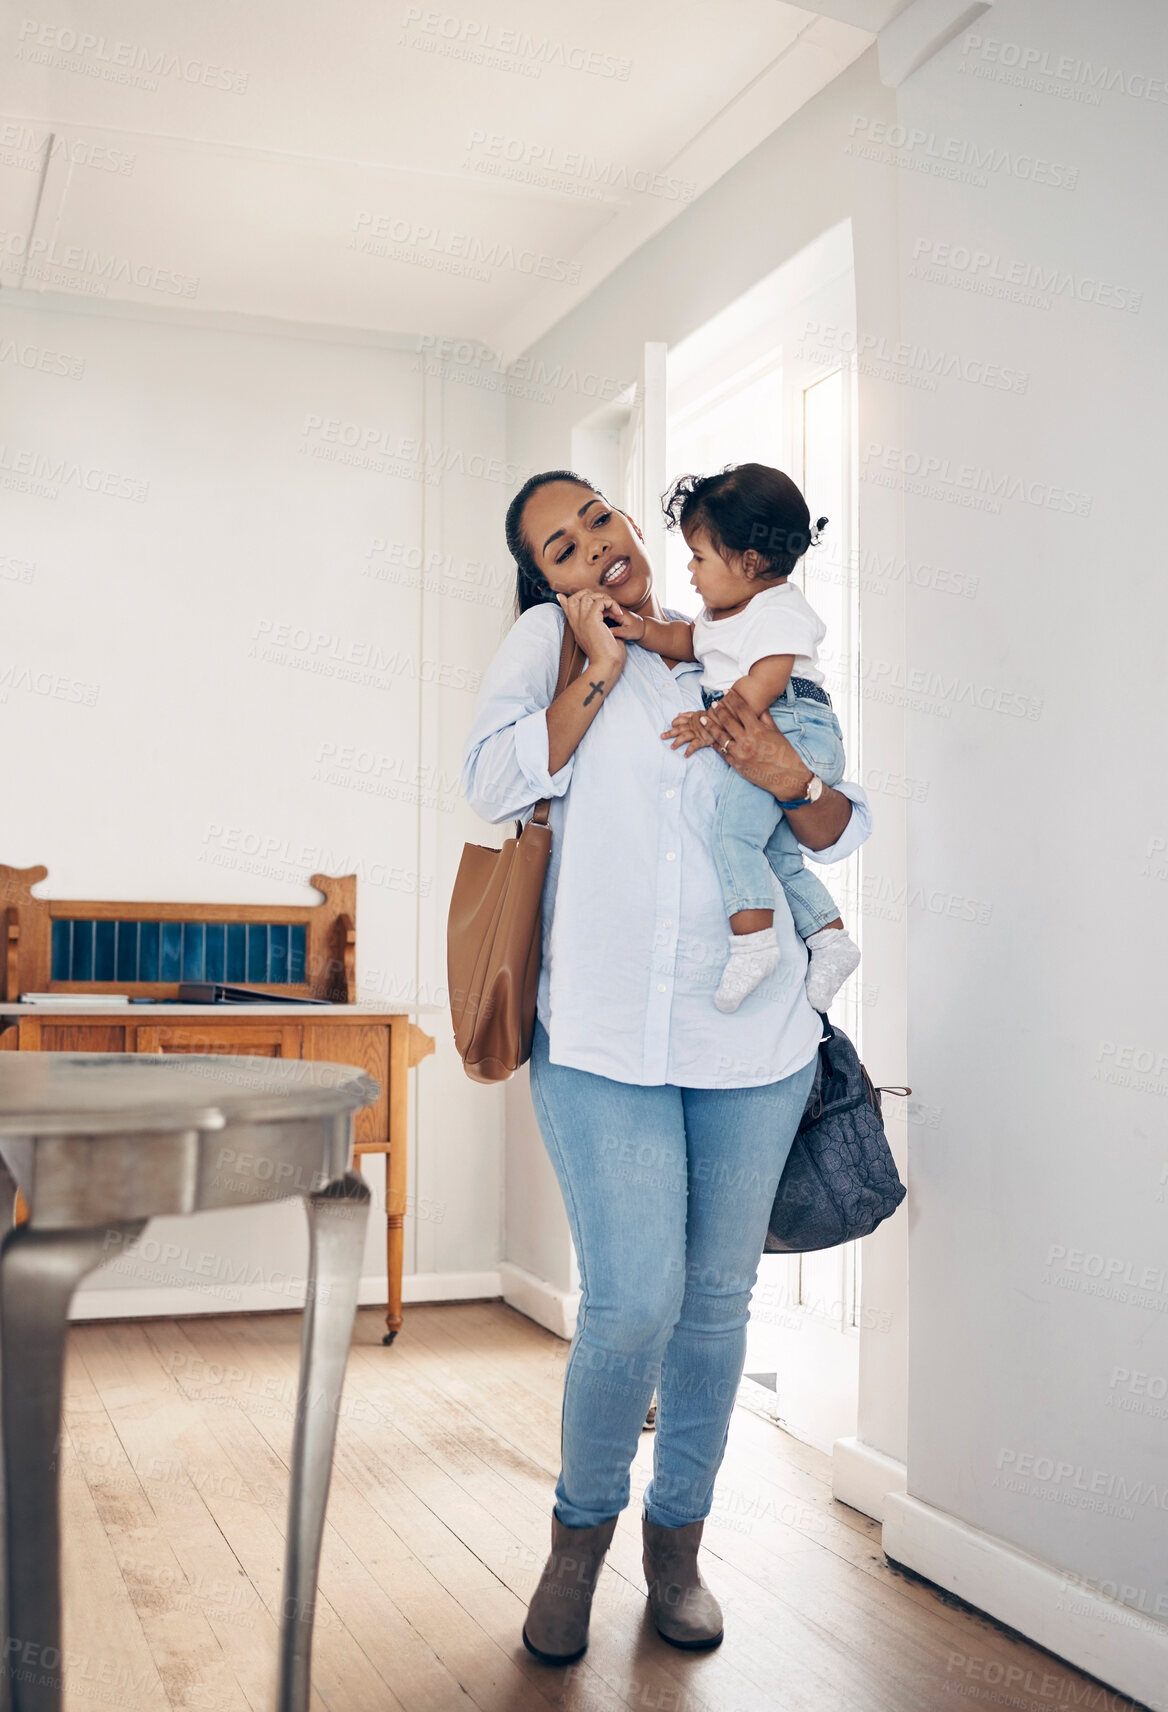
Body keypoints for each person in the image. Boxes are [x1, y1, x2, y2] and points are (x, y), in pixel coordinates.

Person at [459, 469, 872, 1666]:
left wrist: (789, 779)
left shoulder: (748, 622)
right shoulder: (547, 643)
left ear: (635, 527)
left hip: (753, 1039)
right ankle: (576, 1537)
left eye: (598, 518)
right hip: (598, 1035)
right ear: (544, 579)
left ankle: (677, 1545)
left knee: (712, 1306)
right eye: (560, 546)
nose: (592, 547)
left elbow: (840, 819)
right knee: (630, 1300)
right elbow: (491, 786)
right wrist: (595, 667)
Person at [613, 462, 862, 1014]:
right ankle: (831, 939)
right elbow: (686, 639)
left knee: (731, 837)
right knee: (777, 855)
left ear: (749, 561)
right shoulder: (723, 612)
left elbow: (766, 682)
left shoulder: (780, 609)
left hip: (793, 726)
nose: (690, 569)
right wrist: (641, 630)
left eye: (700, 556)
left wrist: (710, 722)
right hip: (768, 727)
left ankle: (753, 945)